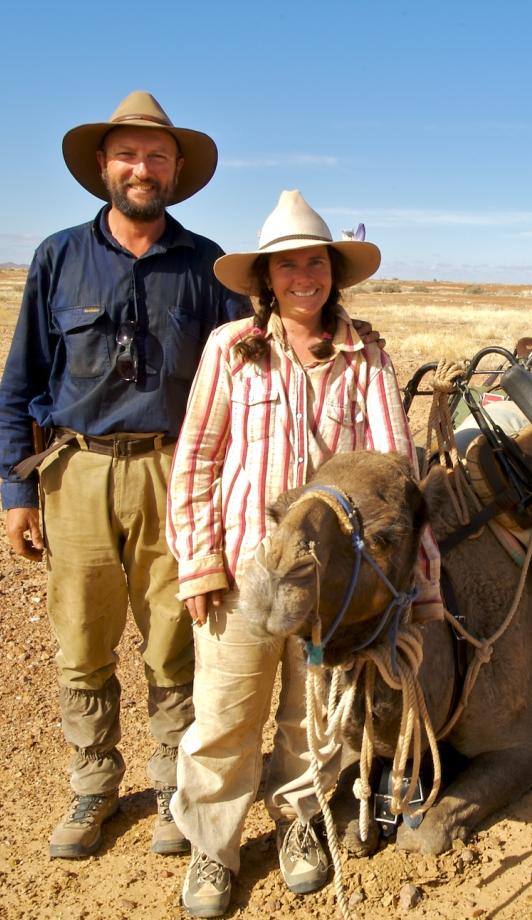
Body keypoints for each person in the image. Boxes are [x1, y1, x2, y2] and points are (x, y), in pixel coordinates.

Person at [166, 190, 441, 917]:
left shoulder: (366, 354)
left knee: (310, 720)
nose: (302, 278)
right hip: (244, 570)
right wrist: (197, 562)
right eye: (286, 266)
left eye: (314, 263)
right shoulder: (232, 351)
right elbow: (196, 460)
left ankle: (300, 825)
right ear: (265, 278)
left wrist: (423, 581)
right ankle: (212, 847)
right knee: (225, 714)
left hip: (335, 582)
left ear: (333, 271)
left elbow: (396, 476)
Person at [0, 91, 251, 860]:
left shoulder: (209, 265)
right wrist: (15, 491)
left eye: (156, 156)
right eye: (128, 155)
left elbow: (244, 379)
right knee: (81, 639)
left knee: (177, 636)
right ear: (103, 166)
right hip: (74, 472)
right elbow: (20, 380)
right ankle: (93, 782)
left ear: (176, 170)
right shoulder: (57, 256)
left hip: (175, 473)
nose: (142, 168)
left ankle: (174, 781)